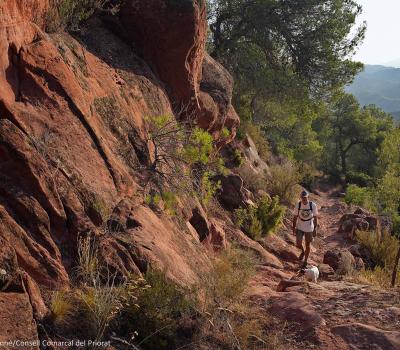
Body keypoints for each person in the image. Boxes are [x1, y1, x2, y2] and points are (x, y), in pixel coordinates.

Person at [292, 190, 318, 267]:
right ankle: (303, 252)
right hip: (300, 226)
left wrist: (315, 229)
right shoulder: (298, 205)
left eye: (305, 198)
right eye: (303, 198)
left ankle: (305, 261)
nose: (304, 199)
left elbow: (316, 217)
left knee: (308, 245)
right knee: (298, 243)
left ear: (307, 197)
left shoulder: (312, 205)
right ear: (301, 198)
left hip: (309, 227)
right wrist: (293, 227)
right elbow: (295, 217)